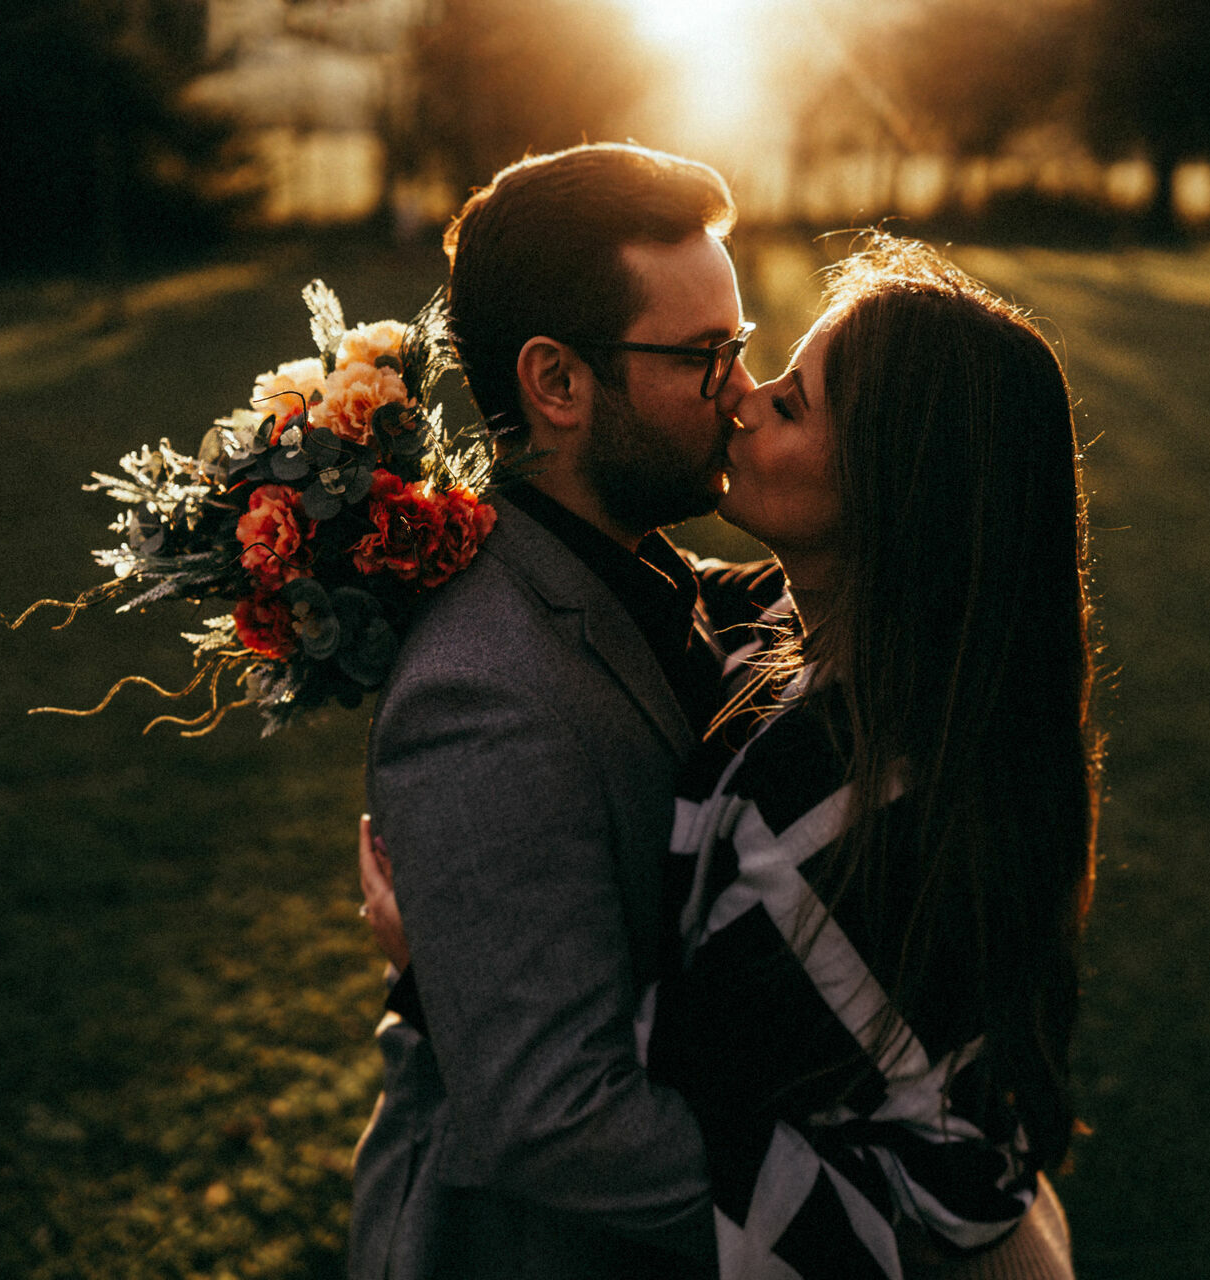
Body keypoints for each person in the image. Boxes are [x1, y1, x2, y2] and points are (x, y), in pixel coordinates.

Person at [362, 234, 1101, 1278]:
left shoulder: (818, 804)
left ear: (893, 491)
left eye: (790, 401)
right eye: (719, 358)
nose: (744, 398)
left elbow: (653, 1078)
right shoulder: (927, 677)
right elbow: (671, 590)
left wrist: (440, 958)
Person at [347, 142, 768, 1280]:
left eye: (739, 347)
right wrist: (844, 1226)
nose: (741, 391)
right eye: (705, 357)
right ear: (558, 384)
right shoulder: (484, 695)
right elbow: (556, 1116)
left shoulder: (624, 567)